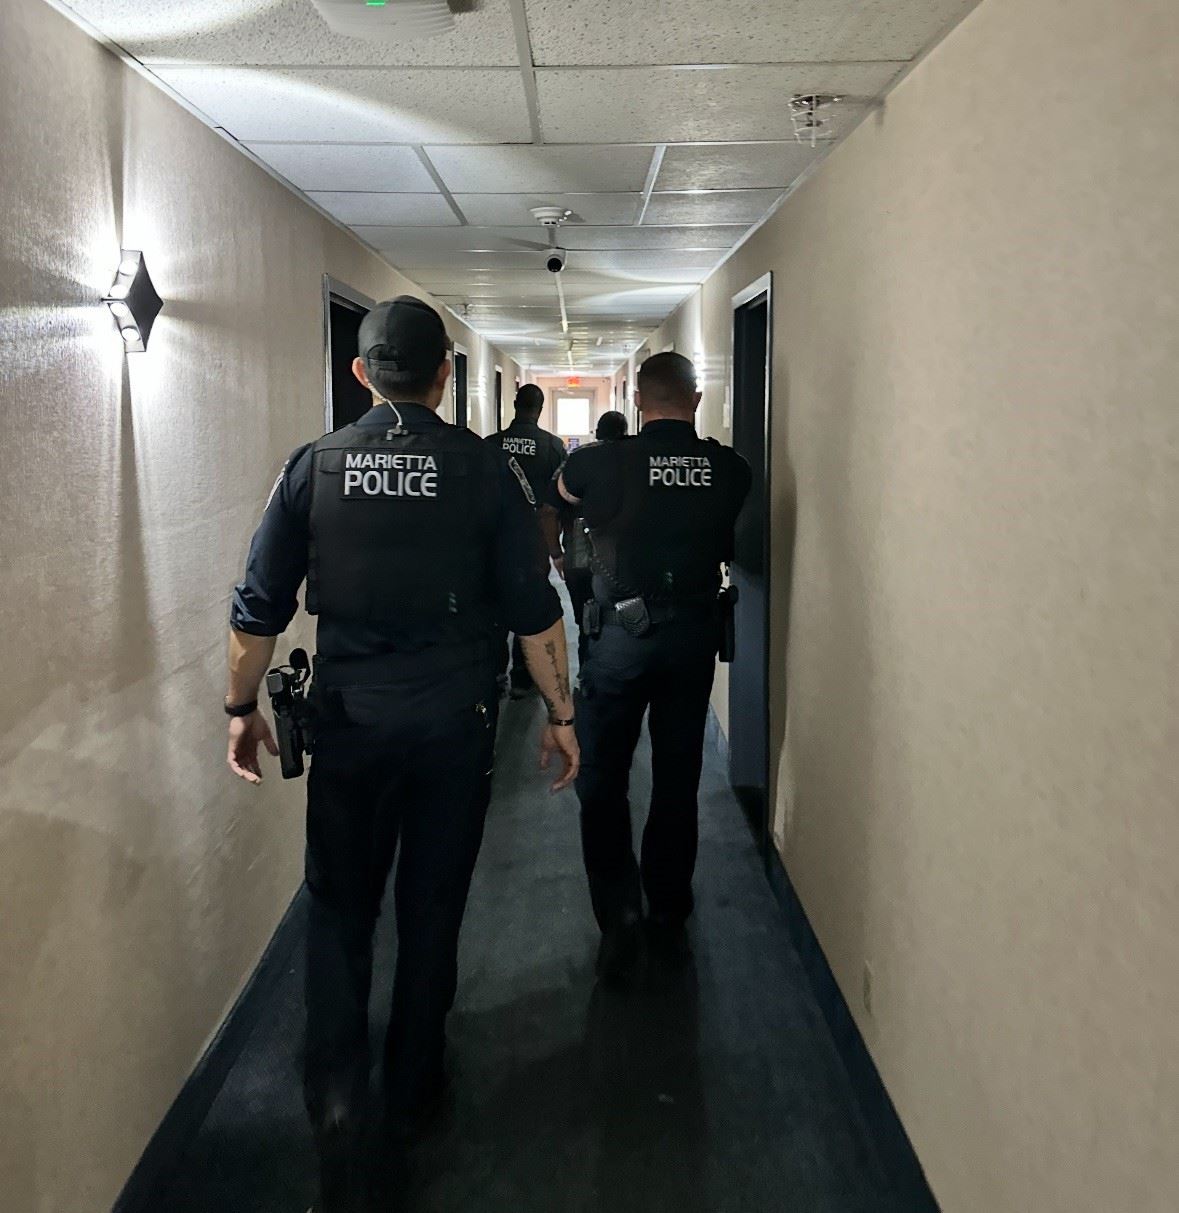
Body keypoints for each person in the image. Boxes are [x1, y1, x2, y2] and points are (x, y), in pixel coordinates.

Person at [224, 296, 579, 1213]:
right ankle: (415, 1085)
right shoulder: (483, 471)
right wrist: (559, 711)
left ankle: (339, 1102)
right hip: (453, 725)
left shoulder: (311, 467)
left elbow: (257, 609)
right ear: (445, 376)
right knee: (431, 906)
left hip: (350, 726)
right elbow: (535, 608)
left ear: (360, 373)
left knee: (339, 910)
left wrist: (239, 707)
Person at [553, 353, 750, 983]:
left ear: (638, 402)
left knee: (603, 778)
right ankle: (668, 906)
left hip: (619, 641)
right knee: (677, 774)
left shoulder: (599, 462)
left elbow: (563, 495)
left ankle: (620, 918)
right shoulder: (730, 468)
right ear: (696, 400)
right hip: (692, 638)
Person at [484, 384, 566, 697]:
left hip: (493, 539)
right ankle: (522, 677)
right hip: (532, 541)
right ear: (540, 409)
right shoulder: (552, 446)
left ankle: (494, 674)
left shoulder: (491, 444)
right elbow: (557, 501)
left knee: (493, 603)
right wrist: (556, 547)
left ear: (515, 404)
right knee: (528, 603)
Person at [548, 410, 628, 668]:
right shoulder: (635, 459)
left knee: (585, 623)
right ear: (624, 432)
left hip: (579, 554)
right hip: (623, 557)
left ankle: (587, 675)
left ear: (597, 432)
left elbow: (548, 511)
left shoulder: (578, 459)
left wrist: (556, 554)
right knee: (625, 623)